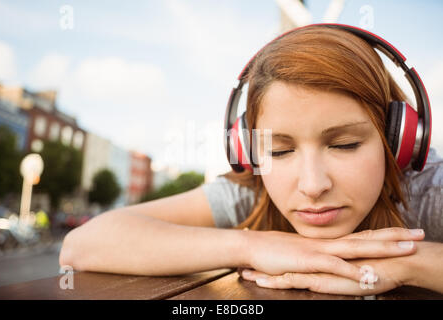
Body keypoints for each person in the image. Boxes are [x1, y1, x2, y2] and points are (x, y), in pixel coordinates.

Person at [59, 25, 443, 296]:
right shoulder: (252, 193)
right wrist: (255, 246)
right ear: (248, 152)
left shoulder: (430, 191)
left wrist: (413, 263)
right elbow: (81, 245)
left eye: (343, 144)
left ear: (398, 140)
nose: (312, 185)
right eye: (278, 151)